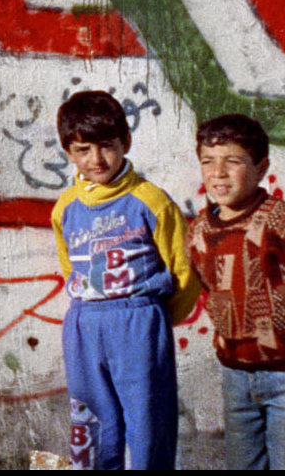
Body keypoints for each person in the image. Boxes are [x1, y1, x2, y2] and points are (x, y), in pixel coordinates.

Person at [50, 89, 199, 470]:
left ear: (125, 143)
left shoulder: (150, 200)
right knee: (93, 425)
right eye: (83, 150)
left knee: (148, 422)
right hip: (85, 324)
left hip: (138, 321)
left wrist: (154, 319)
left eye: (106, 146)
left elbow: (184, 270)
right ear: (68, 152)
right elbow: (71, 268)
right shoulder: (65, 207)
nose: (96, 159)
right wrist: (89, 307)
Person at [187, 113, 285, 470]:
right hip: (235, 379)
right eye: (208, 161)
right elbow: (209, 293)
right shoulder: (198, 232)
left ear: (261, 168)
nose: (218, 173)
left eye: (232, 161)